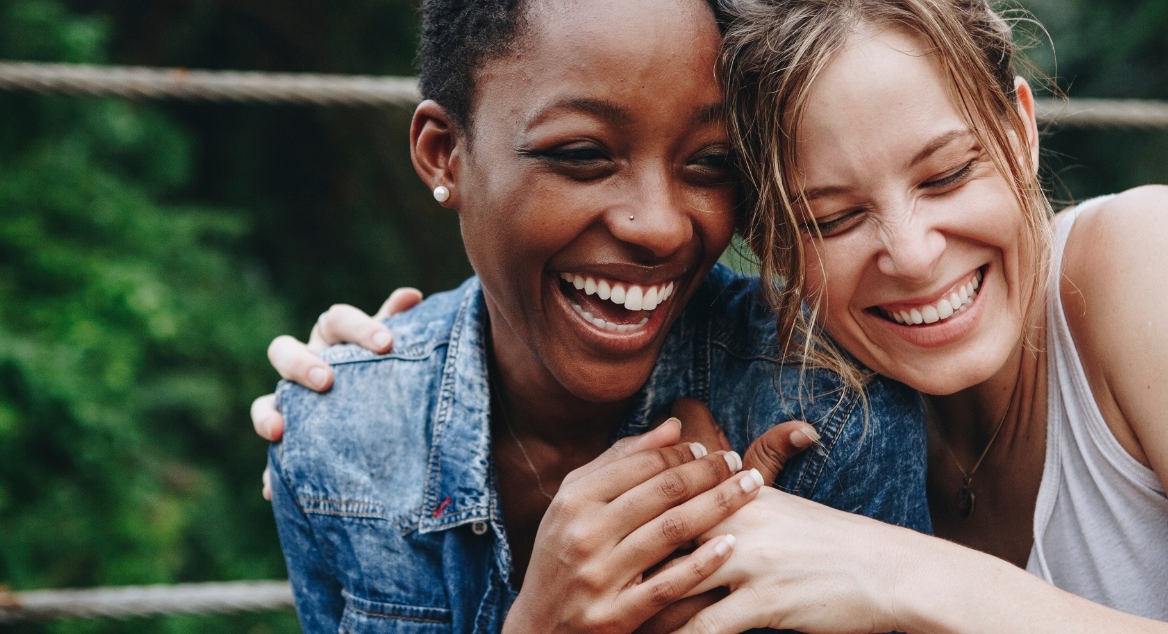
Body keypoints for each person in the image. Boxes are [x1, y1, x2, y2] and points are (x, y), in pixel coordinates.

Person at [651, 0, 1168, 631]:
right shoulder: (827, 427)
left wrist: (902, 573)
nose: (914, 255)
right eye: (833, 219)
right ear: (773, 243)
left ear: (1021, 130)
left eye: (948, 175)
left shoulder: (1158, 258)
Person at [261, 0, 931, 632]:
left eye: (710, 163)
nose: (661, 227)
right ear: (445, 154)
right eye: (583, 155)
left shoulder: (830, 411)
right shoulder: (337, 446)